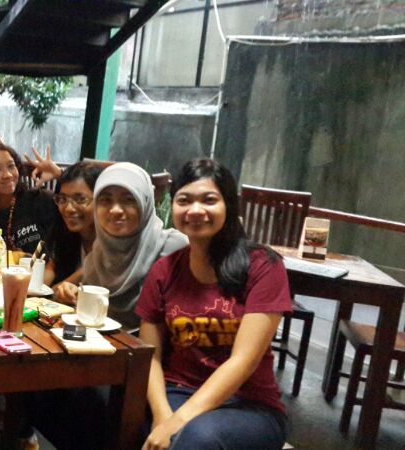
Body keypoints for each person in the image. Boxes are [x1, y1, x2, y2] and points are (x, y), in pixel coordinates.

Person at [136, 158, 290, 450]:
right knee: (112, 411)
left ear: (228, 205)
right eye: (184, 200)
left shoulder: (263, 266)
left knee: (196, 438)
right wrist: (161, 416)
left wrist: (177, 422)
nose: (195, 210)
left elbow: (244, 360)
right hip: (176, 392)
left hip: (248, 404)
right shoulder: (164, 271)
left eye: (209, 200)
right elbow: (150, 355)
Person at [82, 162, 188, 330]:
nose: (116, 210)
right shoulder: (97, 257)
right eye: (106, 200)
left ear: (145, 202)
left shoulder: (175, 248)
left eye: (129, 200)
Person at [43, 162, 103, 304]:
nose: (69, 208)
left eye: (80, 199)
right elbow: (52, 269)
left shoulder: (111, 247)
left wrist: (52, 292)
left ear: (102, 201)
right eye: (62, 199)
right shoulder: (67, 235)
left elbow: (56, 292)